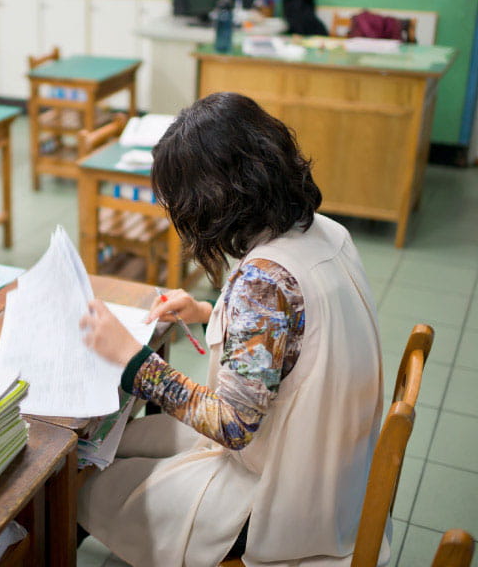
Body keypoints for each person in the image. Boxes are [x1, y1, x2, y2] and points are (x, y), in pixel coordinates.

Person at [79, 92, 385, 566]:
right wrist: (210, 311)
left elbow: (233, 426)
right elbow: (294, 331)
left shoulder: (264, 283)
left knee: (88, 485)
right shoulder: (326, 231)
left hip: (281, 495)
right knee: (117, 446)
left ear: (214, 201)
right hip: (331, 466)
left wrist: (134, 361)